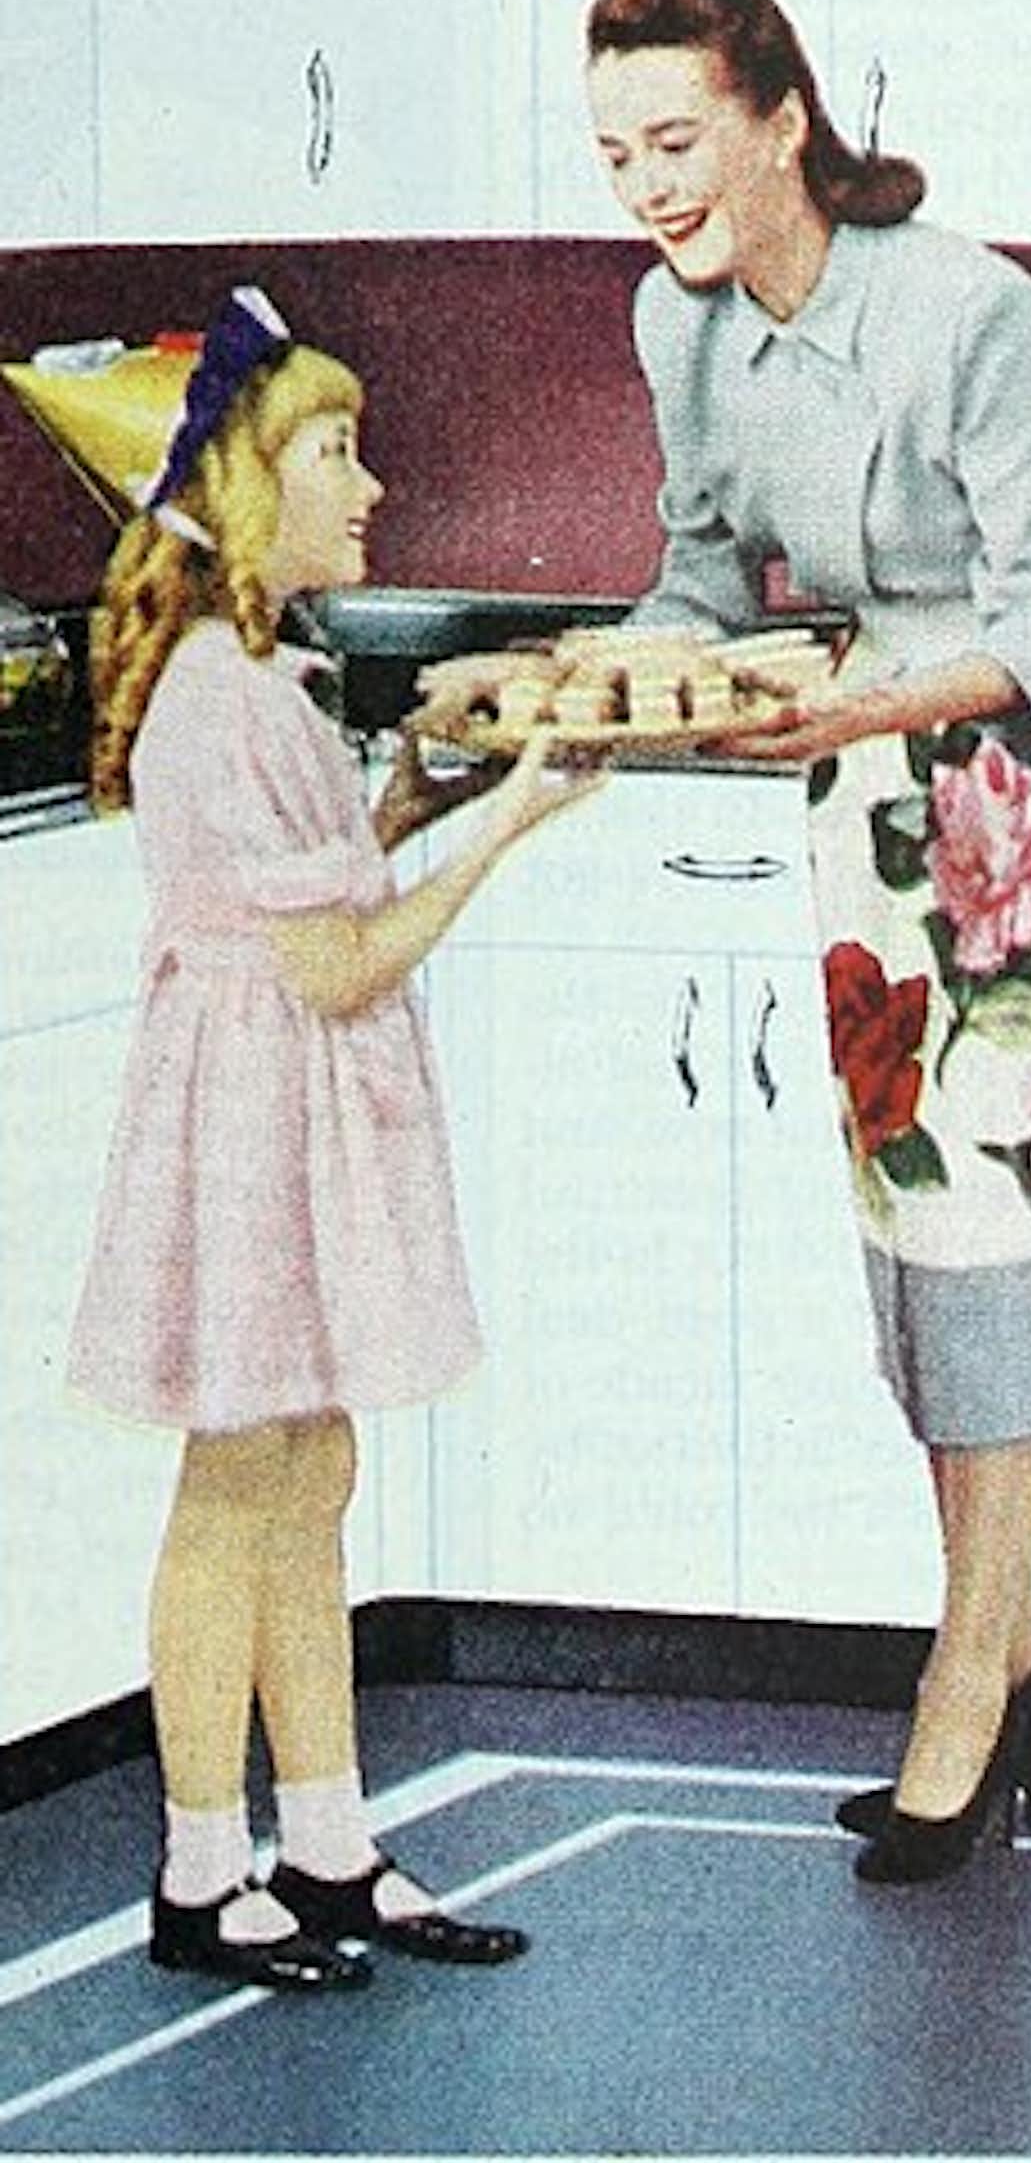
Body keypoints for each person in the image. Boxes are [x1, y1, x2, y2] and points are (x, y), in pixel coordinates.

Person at [583, 0, 1031, 1886]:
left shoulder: (974, 308)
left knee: (1011, 1247)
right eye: (619, 151)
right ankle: (1025, 1652)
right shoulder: (682, 328)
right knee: (925, 1248)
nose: (648, 185)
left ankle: (964, 1682)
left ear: (783, 117)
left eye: (679, 139)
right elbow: (703, 570)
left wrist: (863, 704)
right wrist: (616, 678)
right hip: (874, 798)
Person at [44, 288, 600, 1990]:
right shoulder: (218, 695)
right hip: (249, 1119)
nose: (371, 488)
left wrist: (415, 796)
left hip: (285, 1101)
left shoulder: (264, 679)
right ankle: (202, 1870)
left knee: (313, 1464)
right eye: (335, 453)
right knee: (242, 1477)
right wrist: (511, 819)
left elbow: (326, 884)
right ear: (233, 487)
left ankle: (330, 1843)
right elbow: (338, 957)